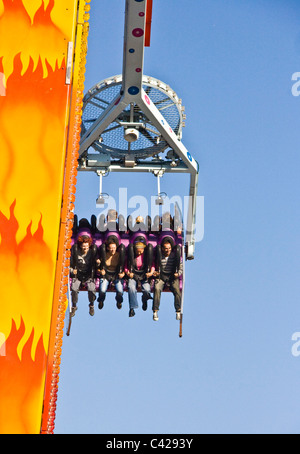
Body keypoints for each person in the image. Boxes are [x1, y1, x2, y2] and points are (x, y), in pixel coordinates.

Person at [152, 239, 182, 321]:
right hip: (161, 276)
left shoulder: (174, 256)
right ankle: (155, 311)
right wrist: (155, 272)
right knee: (157, 288)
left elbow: (181, 267)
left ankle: (178, 310)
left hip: (172, 276)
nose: (167, 250)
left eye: (169, 248)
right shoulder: (159, 256)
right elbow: (154, 265)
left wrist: (178, 274)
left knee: (177, 289)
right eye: (166, 248)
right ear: (162, 249)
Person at [70, 234, 98, 316]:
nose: (85, 248)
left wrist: (98, 263)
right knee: (74, 288)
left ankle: (91, 305)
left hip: (88, 274)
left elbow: (96, 264)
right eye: (83, 247)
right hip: (78, 274)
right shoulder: (76, 253)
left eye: (87, 246)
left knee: (91, 288)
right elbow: (68, 265)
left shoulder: (92, 253)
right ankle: (74, 306)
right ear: (80, 246)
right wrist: (72, 270)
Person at [125, 240, 154, 317]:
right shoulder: (131, 256)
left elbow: (153, 265)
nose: (139, 253)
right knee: (131, 287)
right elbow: (125, 266)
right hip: (133, 275)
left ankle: (145, 299)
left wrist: (151, 272)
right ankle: (132, 308)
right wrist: (128, 272)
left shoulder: (146, 257)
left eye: (141, 251)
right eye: (137, 251)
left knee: (147, 289)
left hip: (144, 275)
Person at [97, 237, 125, 309]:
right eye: (111, 248)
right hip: (106, 275)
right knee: (102, 290)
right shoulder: (105, 255)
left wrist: (123, 273)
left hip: (116, 275)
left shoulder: (119, 255)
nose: (113, 250)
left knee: (120, 290)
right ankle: (101, 300)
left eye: (114, 248)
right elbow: (97, 268)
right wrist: (100, 270)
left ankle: (119, 301)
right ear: (108, 248)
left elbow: (125, 266)